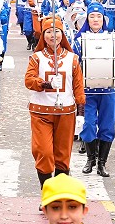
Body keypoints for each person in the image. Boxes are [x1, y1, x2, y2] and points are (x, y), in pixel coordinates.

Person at [24, 18, 84, 185]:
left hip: (66, 112)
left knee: (63, 154)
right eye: (48, 31)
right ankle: (46, 193)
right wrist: (46, 84)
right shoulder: (36, 58)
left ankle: (57, 194)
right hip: (41, 112)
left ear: (62, 34)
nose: (53, 35)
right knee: (43, 151)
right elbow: (29, 80)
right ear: (43, 35)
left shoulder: (72, 59)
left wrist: (81, 113)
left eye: (56, 31)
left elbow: (78, 86)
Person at [76, 9, 115, 177]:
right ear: (87, 19)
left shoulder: (112, 40)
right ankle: (90, 159)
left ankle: (102, 163)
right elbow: (73, 63)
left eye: (99, 16)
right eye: (92, 16)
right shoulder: (79, 40)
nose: (96, 19)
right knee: (88, 125)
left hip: (108, 91)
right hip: (86, 92)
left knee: (107, 127)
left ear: (103, 19)